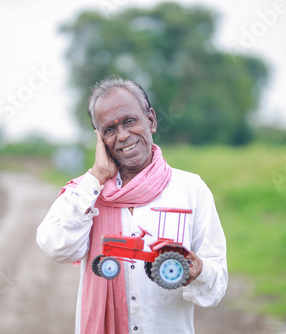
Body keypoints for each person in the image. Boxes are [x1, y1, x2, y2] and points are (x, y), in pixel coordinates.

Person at [36, 76, 228, 334]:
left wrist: (199, 270)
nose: (123, 136)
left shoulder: (190, 189)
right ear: (99, 139)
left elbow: (216, 288)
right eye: (110, 130)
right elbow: (56, 245)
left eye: (129, 121)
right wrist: (95, 178)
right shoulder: (87, 192)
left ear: (151, 119)